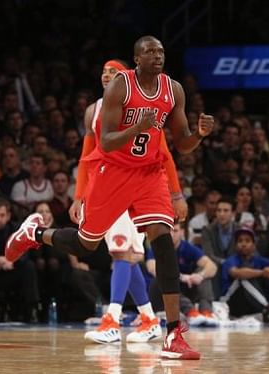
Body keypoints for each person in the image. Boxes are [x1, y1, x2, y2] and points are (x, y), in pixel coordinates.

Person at [5, 36, 213, 360]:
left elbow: (180, 146)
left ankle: (173, 333)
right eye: (149, 52)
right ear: (136, 59)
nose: (157, 56)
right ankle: (35, 234)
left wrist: (198, 135)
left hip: (149, 175)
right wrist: (138, 127)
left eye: (160, 51)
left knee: (162, 238)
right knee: (86, 244)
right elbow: (107, 142)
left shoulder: (173, 90)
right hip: (113, 172)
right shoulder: (120, 87)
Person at [70, 59, 187, 344]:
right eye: (104, 71)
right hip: (106, 183)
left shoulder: (139, 104)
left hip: (137, 183)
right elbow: (86, 158)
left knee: (122, 253)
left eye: (114, 71)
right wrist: (79, 196)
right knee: (123, 256)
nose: (107, 75)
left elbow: (165, 154)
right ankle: (148, 319)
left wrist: (176, 193)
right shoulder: (93, 111)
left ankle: (112, 319)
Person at [146, 222, 217, 326]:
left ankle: (207, 312)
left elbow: (212, 266)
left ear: (182, 232)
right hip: (163, 295)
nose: (171, 234)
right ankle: (191, 312)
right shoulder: (157, 247)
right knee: (161, 277)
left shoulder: (188, 248)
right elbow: (151, 267)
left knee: (203, 274)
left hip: (185, 289)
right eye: (169, 231)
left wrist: (200, 276)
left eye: (175, 231)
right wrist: (181, 277)